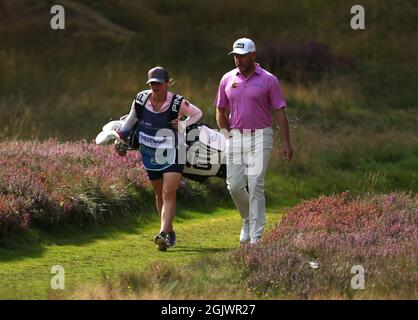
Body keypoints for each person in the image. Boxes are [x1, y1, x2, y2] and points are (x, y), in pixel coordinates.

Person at [215, 38, 293, 245]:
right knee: (234, 185)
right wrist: (226, 134)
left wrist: (286, 143)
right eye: (235, 57)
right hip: (236, 137)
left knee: (255, 182)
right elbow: (220, 110)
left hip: (261, 136)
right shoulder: (227, 79)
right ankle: (248, 220)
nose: (238, 60)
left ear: (253, 55)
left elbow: (280, 113)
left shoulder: (269, 80)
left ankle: (257, 237)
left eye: (241, 56)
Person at [117, 66, 202, 251]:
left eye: (159, 83)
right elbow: (130, 121)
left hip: (174, 152)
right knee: (159, 195)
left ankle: (162, 233)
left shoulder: (177, 102)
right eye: (152, 83)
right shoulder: (141, 99)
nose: (155, 86)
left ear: (167, 83)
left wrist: (183, 123)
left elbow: (197, 113)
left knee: (168, 193)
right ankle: (169, 233)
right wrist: (120, 137)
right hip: (149, 153)